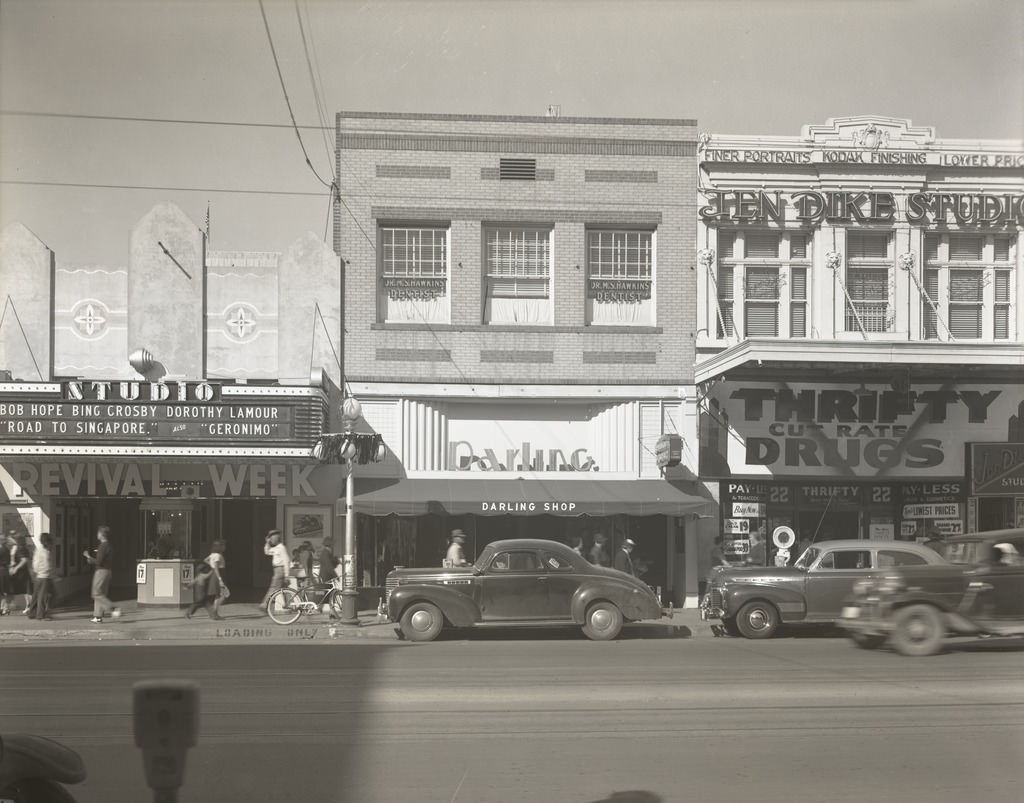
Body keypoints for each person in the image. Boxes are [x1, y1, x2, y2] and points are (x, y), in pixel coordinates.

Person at [83, 525, 121, 623]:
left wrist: (89, 557)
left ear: (101, 534)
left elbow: (98, 562)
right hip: (108, 571)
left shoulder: (103, 546)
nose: (97, 534)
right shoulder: (109, 545)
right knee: (101, 594)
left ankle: (113, 608)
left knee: (96, 594)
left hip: (101, 572)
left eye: (98, 532)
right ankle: (98, 616)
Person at [259, 529, 289, 614]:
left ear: (276, 538)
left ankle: (264, 605)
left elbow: (286, 561)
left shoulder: (281, 548)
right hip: (277, 570)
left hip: (280, 570)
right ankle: (287, 605)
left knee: (273, 588)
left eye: (271, 538)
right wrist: (267, 543)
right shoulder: (276, 548)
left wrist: (286, 574)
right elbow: (267, 551)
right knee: (283, 589)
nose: (271, 540)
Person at [28, 533, 55, 620]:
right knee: (43, 596)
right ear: (46, 542)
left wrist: (36, 571)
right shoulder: (44, 552)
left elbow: (35, 563)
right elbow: (46, 564)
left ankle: (32, 613)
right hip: (44, 576)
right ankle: (40, 615)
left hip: (39, 576)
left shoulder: (39, 550)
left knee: (36, 595)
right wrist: (48, 571)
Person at [7, 534, 33, 615]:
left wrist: (15, 568)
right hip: (20, 573)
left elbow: (24, 560)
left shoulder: (21, 548)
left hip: (22, 573)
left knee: (27, 590)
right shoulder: (18, 548)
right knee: (26, 590)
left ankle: (31, 607)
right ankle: (29, 606)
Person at [0, 534, 11, 615]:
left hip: (2, 571)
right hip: (5, 571)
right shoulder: (7, 549)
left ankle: (5, 608)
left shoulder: (2, 550)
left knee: (3, 591)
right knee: (4, 591)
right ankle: (4, 608)